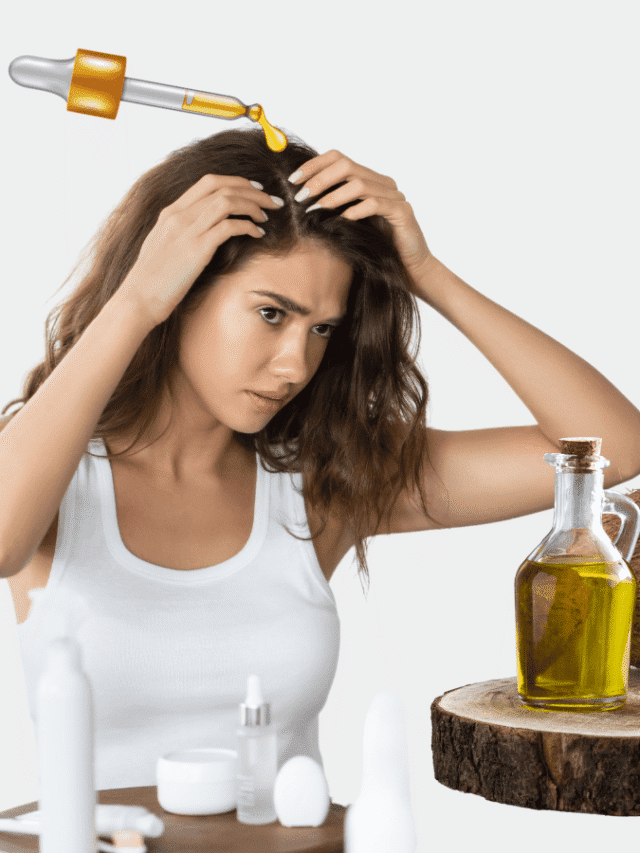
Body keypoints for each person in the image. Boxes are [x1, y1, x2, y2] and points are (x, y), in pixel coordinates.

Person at [1, 126, 639, 789]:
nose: (295, 365)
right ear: (181, 290)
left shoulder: (319, 482)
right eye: (272, 314)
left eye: (322, 328)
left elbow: (612, 450)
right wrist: (136, 299)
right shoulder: (50, 471)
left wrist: (425, 272)